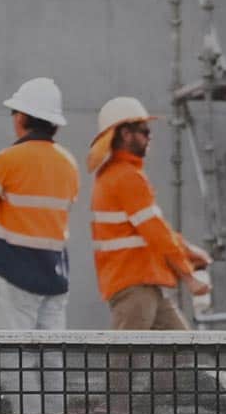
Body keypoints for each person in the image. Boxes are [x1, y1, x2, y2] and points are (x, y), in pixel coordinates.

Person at [84, 96, 211, 330]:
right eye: (144, 130)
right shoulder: (126, 177)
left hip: (143, 285)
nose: (150, 136)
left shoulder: (120, 175)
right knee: (127, 363)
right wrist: (189, 275)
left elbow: (156, 229)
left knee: (183, 356)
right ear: (125, 134)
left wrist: (187, 251)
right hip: (135, 287)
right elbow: (155, 232)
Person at [0, 77, 81, 331]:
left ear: (21, 117)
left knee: (13, 363)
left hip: (13, 274)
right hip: (54, 275)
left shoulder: (8, 159)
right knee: (52, 362)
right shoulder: (68, 164)